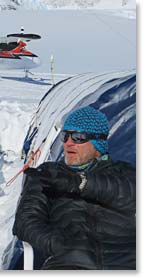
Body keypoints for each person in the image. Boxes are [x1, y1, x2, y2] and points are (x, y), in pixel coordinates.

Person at [12, 106, 135, 270]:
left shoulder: (123, 172)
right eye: (65, 136)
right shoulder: (48, 174)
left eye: (78, 137)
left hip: (125, 263)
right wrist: (60, 246)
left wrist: (80, 183)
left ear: (98, 142)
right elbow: (26, 221)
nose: (69, 143)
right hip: (69, 264)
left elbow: (131, 193)